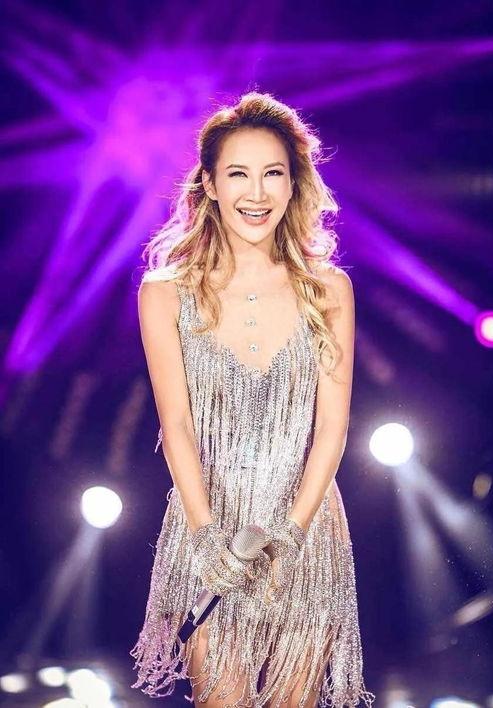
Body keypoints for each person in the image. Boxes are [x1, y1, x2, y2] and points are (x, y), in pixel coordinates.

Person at [130, 91, 375, 708]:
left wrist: (291, 535)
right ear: (210, 185)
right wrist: (206, 537)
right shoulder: (165, 293)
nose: (257, 193)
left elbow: (332, 429)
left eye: (274, 173)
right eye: (238, 174)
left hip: (305, 531)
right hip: (208, 526)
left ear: (294, 185)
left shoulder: (329, 290)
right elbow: (177, 426)